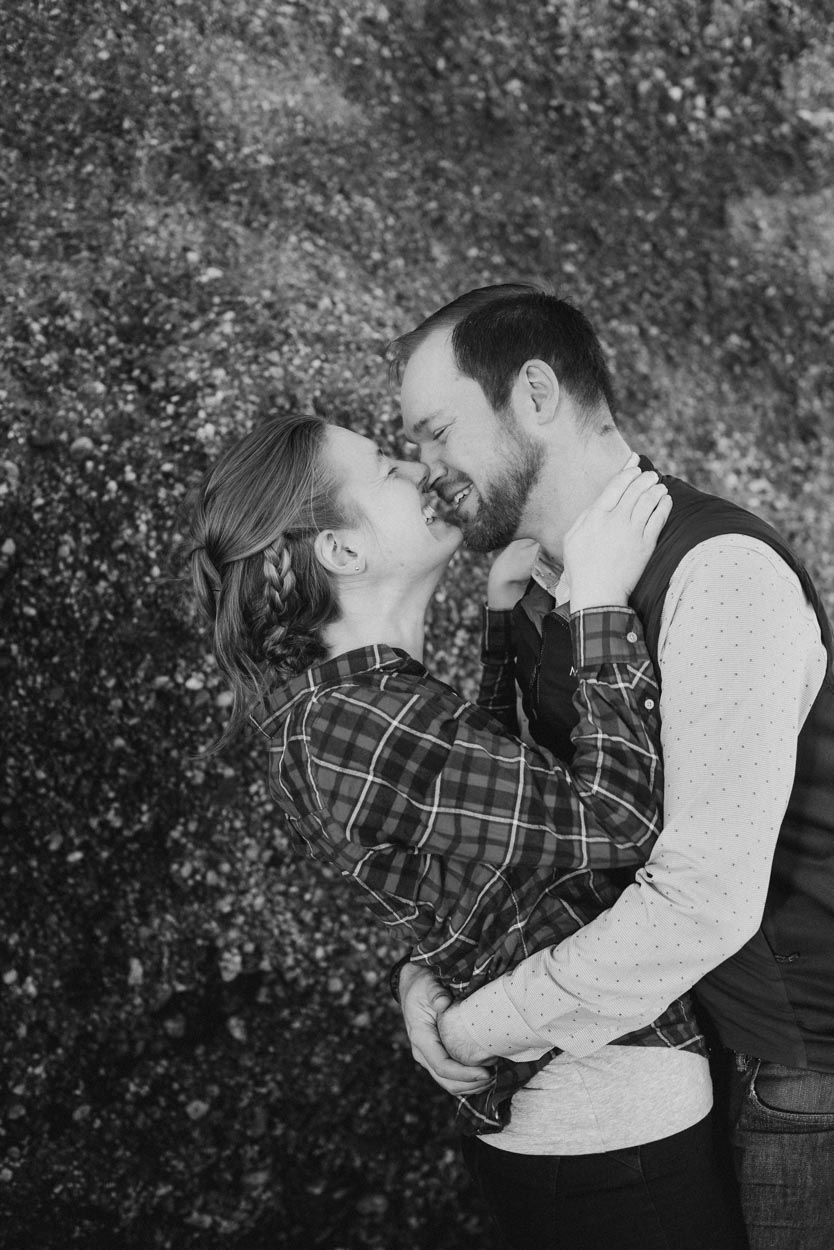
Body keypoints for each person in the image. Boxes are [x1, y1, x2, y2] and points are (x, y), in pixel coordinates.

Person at [185, 412, 745, 1249]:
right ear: (341, 551)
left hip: (592, 1114)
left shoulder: (356, 709)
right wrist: (596, 605)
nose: (418, 469)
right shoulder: (353, 726)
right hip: (609, 1126)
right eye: (386, 468)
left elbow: (481, 820)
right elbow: (612, 820)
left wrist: (498, 624)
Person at [391, 282, 834, 1250]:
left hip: (803, 1071)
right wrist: (430, 976)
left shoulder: (720, 571)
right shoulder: (549, 592)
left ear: (537, 393)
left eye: (434, 432)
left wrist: (482, 1024)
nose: (426, 473)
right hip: (704, 1045)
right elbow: (546, 845)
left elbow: (703, 901)